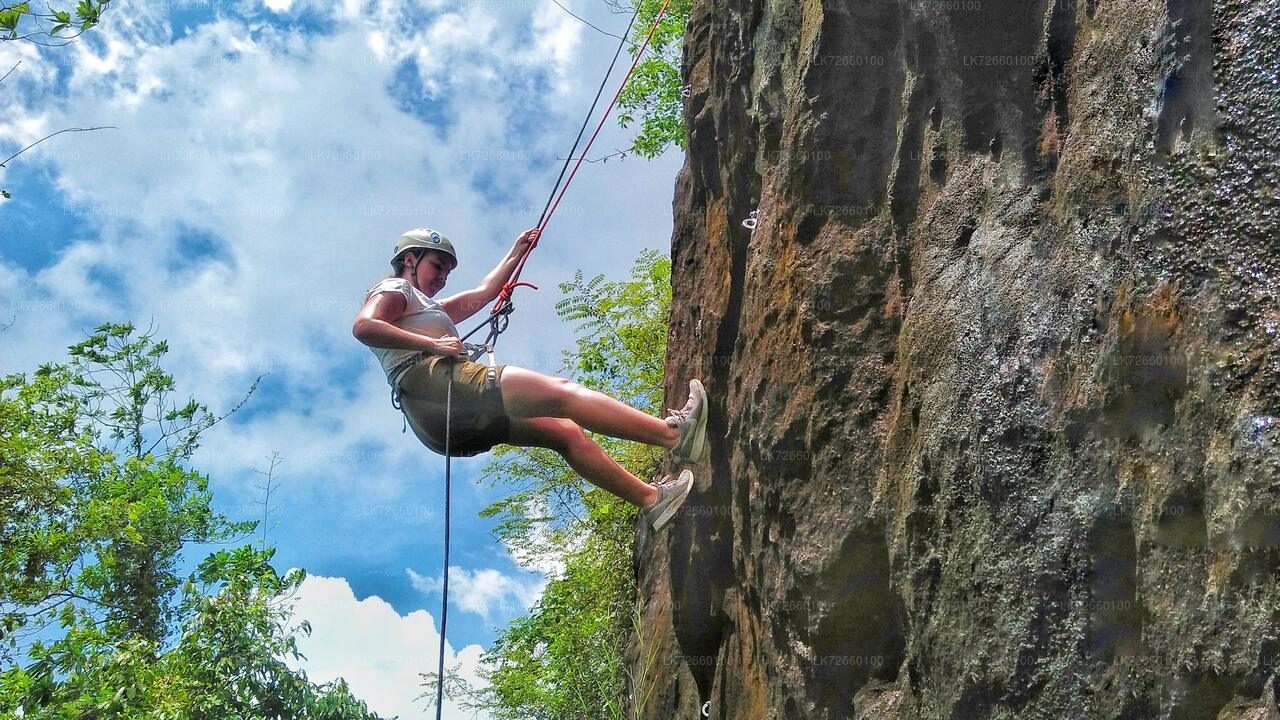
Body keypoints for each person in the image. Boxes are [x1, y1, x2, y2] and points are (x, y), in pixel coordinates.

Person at [352, 227, 708, 531]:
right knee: (563, 394)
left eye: (447, 271)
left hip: (440, 423)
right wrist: (432, 343)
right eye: (437, 266)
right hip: (434, 385)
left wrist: (517, 251)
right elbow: (365, 326)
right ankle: (674, 435)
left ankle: (652, 500)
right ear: (410, 259)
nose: (442, 277)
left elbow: (483, 293)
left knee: (566, 432)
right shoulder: (395, 289)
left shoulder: (431, 308)